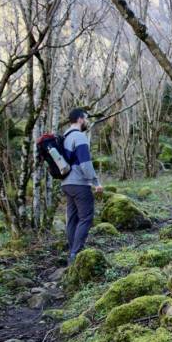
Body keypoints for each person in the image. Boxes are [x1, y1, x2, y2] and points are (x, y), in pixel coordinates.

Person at [62, 108, 103, 265]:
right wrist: (96, 182)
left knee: (72, 219)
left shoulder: (65, 136)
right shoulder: (79, 137)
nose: (87, 121)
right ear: (80, 119)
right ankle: (75, 253)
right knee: (86, 217)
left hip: (66, 183)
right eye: (86, 118)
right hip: (79, 184)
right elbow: (85, 163)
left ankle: (72, 252)